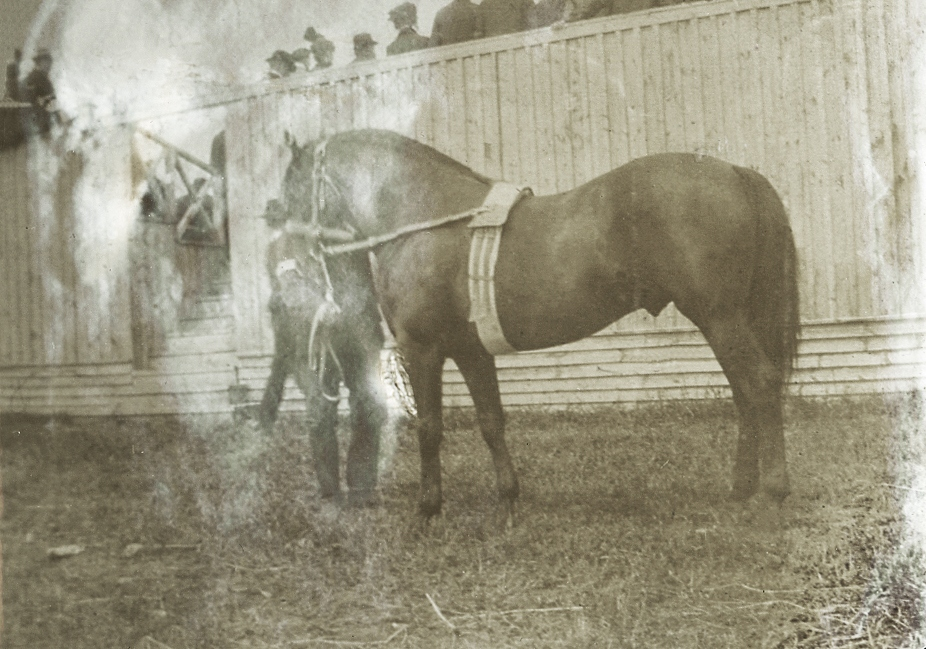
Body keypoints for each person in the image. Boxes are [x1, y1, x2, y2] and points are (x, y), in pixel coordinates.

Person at [20, 48, 56, 135]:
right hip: (37, 124)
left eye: (49, 61)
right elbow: (47, 104)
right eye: (45, 61)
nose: (49, 64)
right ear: (39, 62)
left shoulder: (39, 78)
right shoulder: (37, 78)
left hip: (36, 121)